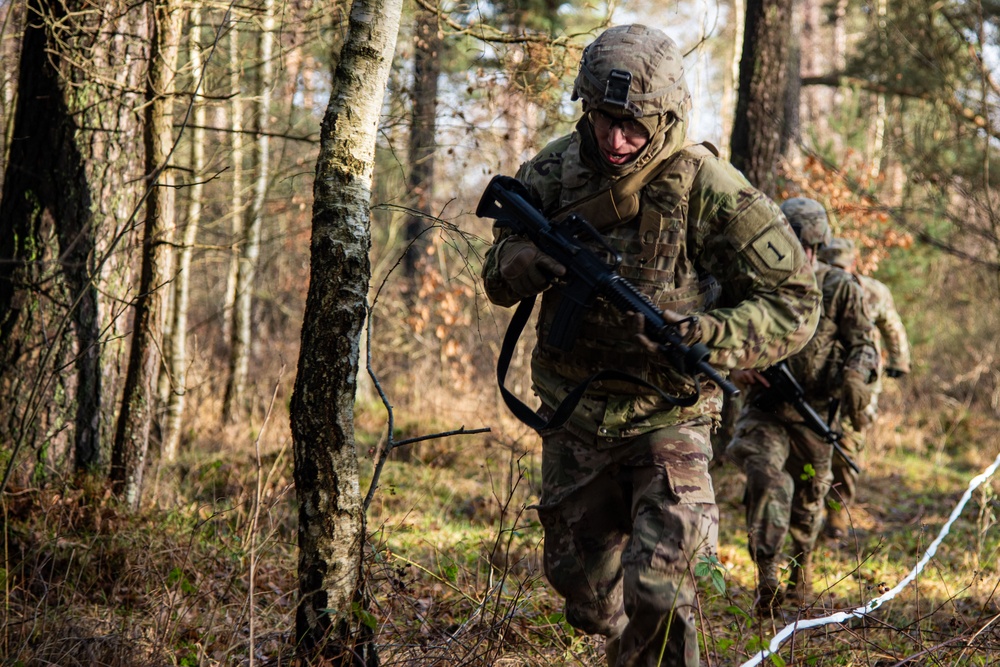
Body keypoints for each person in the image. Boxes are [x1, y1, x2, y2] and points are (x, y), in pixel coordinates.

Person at [480, 24, 821, 667]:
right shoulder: (553, 170)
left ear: (668, 115)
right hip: (575, 411)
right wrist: (524, 262)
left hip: (671, 415)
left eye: (635, 126)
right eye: (607, 120)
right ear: (587, 105)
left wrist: (709, 333)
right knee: (582, 589)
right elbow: (497, 270)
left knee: (661, 590)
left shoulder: (710, 189)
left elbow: (795, 302)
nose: (617, 140)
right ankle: (620, 634)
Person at [725, 199, 879, 615]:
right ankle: (767, 576)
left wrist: (855, 374)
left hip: (816, 412)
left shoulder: (840, 288)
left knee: (809, 500)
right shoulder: (756, 283)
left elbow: (865, 344)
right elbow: (723, 329)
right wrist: (736, 365)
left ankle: (800, 566)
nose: (803, 254)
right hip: (765, 411)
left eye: (808, 245)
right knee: (767, 477)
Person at [818, 237, 912, 538]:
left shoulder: (873, 290)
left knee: (848, 444)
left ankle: (836, 516)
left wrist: (899, 361)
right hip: (816, 380)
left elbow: (891, 326)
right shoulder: (812, 285)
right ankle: (810, 509)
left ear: (854, 264)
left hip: (859, 382)